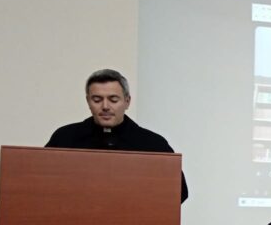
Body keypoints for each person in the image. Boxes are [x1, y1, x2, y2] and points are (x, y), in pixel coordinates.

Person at [46, 69, 188, 202]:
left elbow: (178, 192)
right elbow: (42, 183)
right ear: (88, 101)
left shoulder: (153, 144)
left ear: (127, 101)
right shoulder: (65, 138)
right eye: (97, 100)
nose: (105, 106)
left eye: (113, 100)